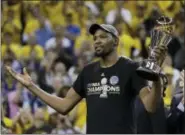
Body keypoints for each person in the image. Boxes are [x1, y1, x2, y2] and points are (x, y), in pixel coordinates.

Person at [6, 23, 167, 134]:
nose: (97, 41)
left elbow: (150, 106)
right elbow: (64, 106)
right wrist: (31, 86)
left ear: (116, 41)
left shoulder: (131, 67)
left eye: (103, 37)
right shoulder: (88, 71)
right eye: (95, 38)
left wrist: (156, 76)